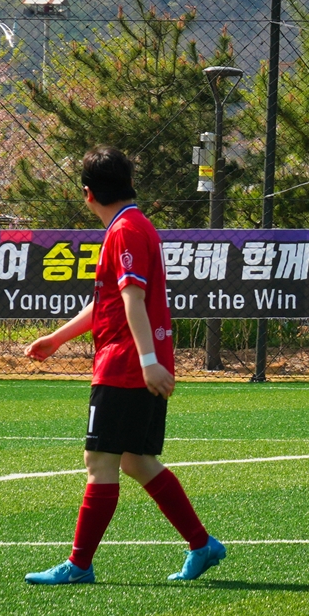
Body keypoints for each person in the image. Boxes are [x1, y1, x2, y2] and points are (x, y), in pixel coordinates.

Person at [23, 146, 225, 585]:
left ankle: (79, 565)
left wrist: (148, 362)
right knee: (135, 460)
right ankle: (202, 544)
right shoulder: (133, 225)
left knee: (99, 461)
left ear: (87, 194)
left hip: (125, 365)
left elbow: (133, 300)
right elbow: (110, 304)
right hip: (137, 362)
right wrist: (58, 338)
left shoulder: (125, 231)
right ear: (131, 184)